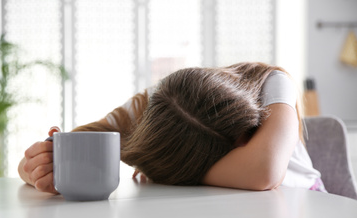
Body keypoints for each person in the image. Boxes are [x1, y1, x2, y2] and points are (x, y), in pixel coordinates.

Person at [18, 62, 327, 194]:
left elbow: (263, 171)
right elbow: (67, 147)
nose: (240, 163)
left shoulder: (269, 85)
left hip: (306, 212)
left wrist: (165, 168)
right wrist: (36, 168)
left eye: (245, 145)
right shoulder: (151, 109)